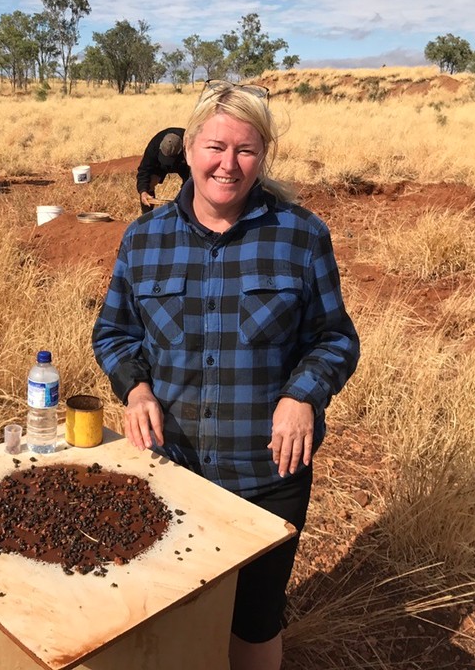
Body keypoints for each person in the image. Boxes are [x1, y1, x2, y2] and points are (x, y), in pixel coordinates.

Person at [92, 81, 360, 670]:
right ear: (187, 150)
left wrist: (302, 396)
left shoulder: (300, 234)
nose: (229, 165)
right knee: (168, 609)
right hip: (171, 469)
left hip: (267, 472)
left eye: (246, 150)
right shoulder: (145, 239)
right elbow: (113, 334)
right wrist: (135, 388)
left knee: (255, 620)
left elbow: (334, 338)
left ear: (263, 155)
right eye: (216, 147)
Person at [136, 127, 191, 214]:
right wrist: (143, 191)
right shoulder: (154, 145)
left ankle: (186, 215)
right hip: (160, 164)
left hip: (183, 164)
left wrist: (184, 196)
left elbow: (193, 176)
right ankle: (146, 216)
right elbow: (144, 170)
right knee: (149, 183)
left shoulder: (191, 147)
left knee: (190, 188)